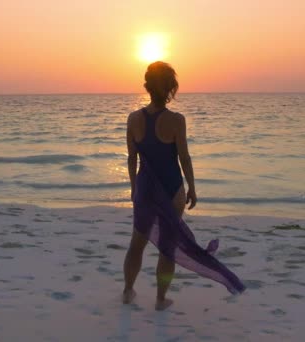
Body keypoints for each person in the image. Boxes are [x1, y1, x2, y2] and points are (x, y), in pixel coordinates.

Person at [123, 61, 245, 311]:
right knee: (167, 248)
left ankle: (127, 292)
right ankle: (160, 299)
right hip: (172, 189)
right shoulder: (177, 120)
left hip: (145, 189)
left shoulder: (133, 119)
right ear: (170, 88)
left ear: (147, 87)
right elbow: (184, 157)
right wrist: (192, 187)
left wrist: (135, 188)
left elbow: (132, 158)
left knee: (137, 243)